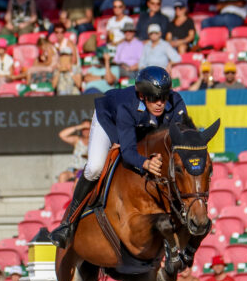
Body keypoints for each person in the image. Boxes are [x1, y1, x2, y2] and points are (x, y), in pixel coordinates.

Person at [49, 66, 187, 249]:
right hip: (109, 121)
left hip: (142, 127)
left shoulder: (176, 103)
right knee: (95, 167)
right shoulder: (126, 106)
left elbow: (181, 139)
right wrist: (145, 163)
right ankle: (68, 223)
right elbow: (128, 152)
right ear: (142, 96)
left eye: (163, 97)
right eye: (153, 98)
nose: (160, 103)